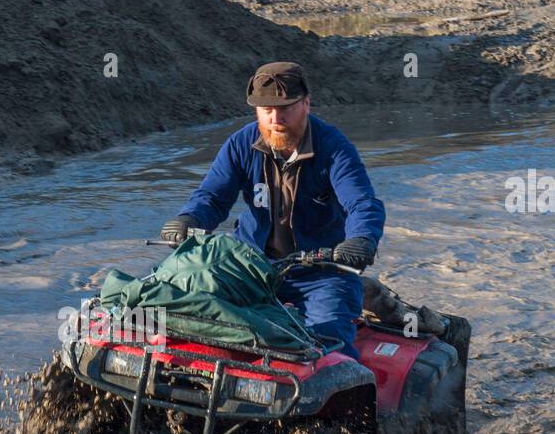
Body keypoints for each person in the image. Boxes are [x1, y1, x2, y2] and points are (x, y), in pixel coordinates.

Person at [159, 62, 385, 358]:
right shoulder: (240, 144)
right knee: (187, 310)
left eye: (286, 108)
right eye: (266, 110)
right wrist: (188, 219)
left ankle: (342, 401)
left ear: (306, 104)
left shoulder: (335, 149)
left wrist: (362, 239)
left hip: (321, 273)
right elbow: (212, 198)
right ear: (256, 110)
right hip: (248, 265)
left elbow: (362, 203)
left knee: (328, 341)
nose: (275, 118)